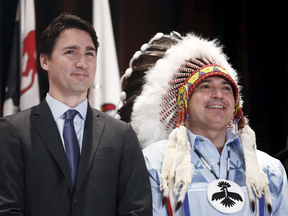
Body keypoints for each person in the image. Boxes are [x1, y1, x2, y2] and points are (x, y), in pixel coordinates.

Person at [117, 32, 288, 215]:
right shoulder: (154, 162)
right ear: (183, 101)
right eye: (205, 86)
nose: (218, 94)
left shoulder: (269, 169)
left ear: (236, 105)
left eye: (226, 88)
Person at [0, 13, 152, 216]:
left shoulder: (121, 134)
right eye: (71, 52)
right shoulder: (13, 131)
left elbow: (136, 210)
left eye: (89, 54)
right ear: (45, 60)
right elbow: (6, 209)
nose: (82, 62)